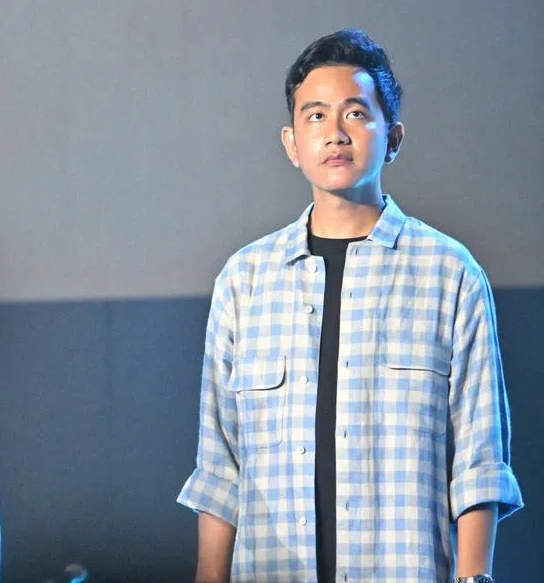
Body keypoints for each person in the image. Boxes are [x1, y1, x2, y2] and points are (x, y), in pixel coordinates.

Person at [177, 29, 522, 583]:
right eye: (315, 116)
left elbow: (480, 459)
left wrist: (473, 577)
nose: (335, 132)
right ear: (291, 144)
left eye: (356, 113)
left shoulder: (450, 272)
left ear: (394, 136)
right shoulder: (245, 279)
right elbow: (221, 468)